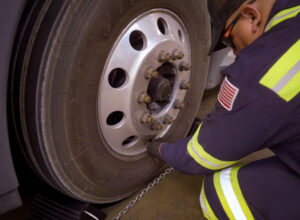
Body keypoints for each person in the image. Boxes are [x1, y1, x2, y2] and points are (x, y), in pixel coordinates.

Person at [147, 0, 300, 219]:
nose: (235, 52)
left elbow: (200, 157)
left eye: (229, 38)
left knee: (222, 192)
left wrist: (157, 149)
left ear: (251, 17)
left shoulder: (263, 72)